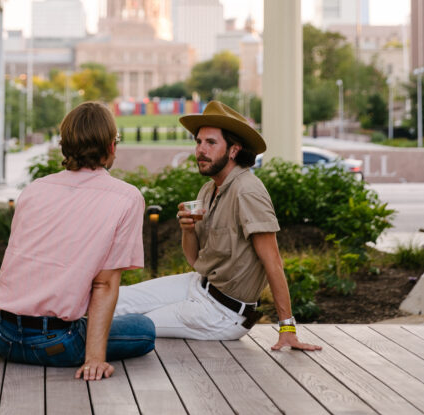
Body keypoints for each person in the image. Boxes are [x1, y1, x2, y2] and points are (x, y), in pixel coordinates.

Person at [114, 100, 321, 352]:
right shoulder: (209, 189)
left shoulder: (247, 191)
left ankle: (76, 349)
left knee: (133, 325)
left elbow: (273, 261)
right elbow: (194, 259)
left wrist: (287, 327)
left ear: (234, 150)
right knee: (116, 299)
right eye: (198, 142)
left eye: (211, 143)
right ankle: (59, 332)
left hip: (223, 313)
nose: (201, 150)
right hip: (199, 285)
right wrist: (188, 229)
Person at [0, 101, 155, 380]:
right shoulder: (126, 198)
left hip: (0, 335)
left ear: (65, 145)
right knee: (144, 328)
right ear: (111, 147)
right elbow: (105, 283)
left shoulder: (33, 190)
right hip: (55, 344)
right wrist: (95, 360)